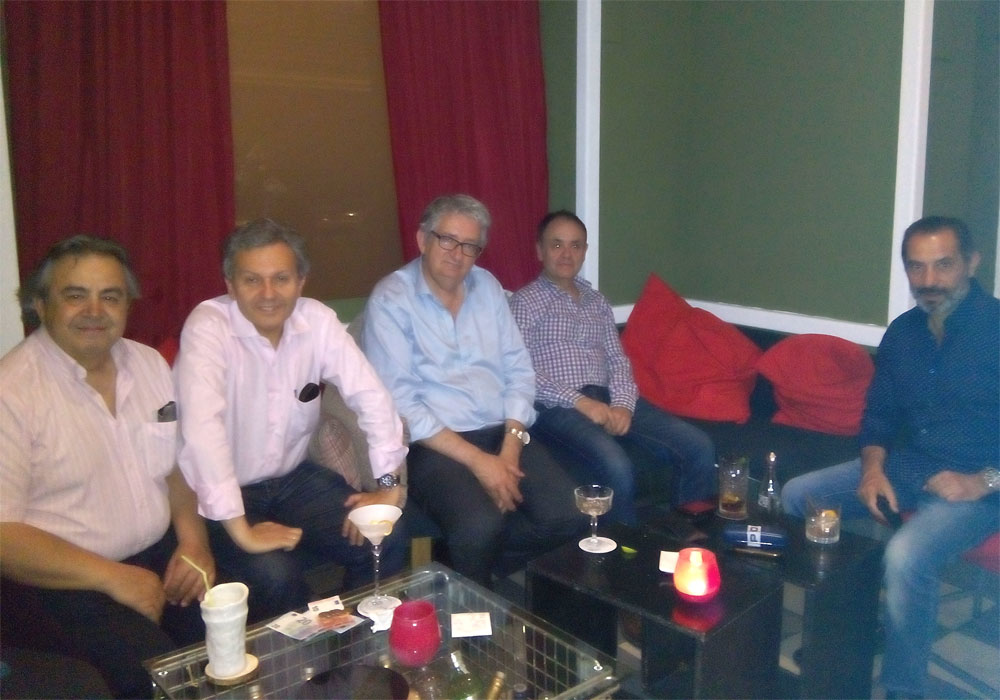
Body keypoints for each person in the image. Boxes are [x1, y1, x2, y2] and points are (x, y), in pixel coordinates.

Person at [781, 216, 999, 699]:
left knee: (906, 556)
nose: (929, 280)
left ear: (972, 263)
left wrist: (982, 481)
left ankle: (903, 689)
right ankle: (850, 629)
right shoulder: (903, 333)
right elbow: (878, 417)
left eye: (943, 265)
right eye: (916, 267)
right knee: (799, 495)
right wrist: (872, 469)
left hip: (981, 488)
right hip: (909, 466)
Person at [0, 235, 214, 698]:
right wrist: (114, 578)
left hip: (156, 555)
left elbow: (176, 467)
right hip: (59, 581)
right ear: (39, 303)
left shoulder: (150, 364)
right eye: (75, 295)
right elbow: (4, 536)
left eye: (111, 296)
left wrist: (194, 542)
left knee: (229, 634)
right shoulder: (11, 391)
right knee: (158, 675)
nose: (94, 311)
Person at [175, 219, 408, 620]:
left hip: (293, 480)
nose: (268, 294)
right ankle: (301, 656)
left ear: (301, 282)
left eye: (281, 278)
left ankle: (356, 641)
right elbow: (202, 434)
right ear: (230, 285)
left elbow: (371, 396)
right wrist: (242, 533)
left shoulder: (316, 320)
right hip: (226, 491)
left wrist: (389, 486)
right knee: (276, 575)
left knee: (385, 534)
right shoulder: (208, 327)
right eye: (252, 280)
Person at [362, 194, 584, 586]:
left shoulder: (488, 287)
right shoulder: (391, 298)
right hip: (435, 444)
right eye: (448, 239)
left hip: (502, 431)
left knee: (568, 514)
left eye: (470, 245)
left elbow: (519, 369)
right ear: (423, 239)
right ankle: (471, 600)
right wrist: (480, 462)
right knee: (480, 525)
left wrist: (510, 446)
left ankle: (471, 573)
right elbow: (402, 404)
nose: (458, 254)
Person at [510, 211, 716, 524]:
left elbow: (618, 360)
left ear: (584, 251)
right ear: (540, 251)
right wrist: (580, 402)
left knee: (698, 446)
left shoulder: (597, 301)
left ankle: (687, 539)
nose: (566, 254)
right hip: (557, 406)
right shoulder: (524, 303)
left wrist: (622, 405)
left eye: (575, 245)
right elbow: (520, 371)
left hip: (608, 396)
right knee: (616, 464)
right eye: (557, 245)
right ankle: (623, 548)